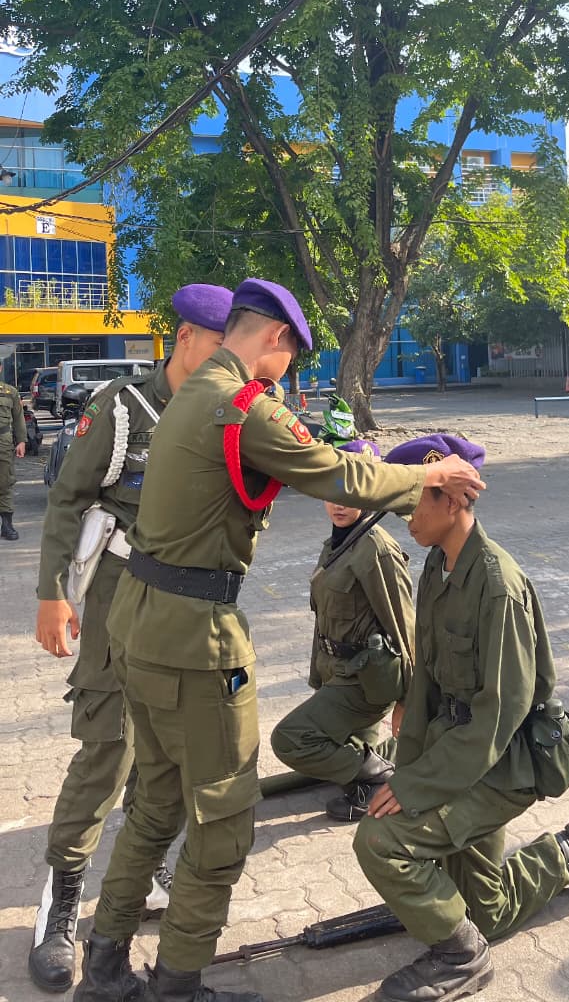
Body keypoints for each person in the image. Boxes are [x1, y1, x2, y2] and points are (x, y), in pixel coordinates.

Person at [72, 278, 484, 1002]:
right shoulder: (241, 405)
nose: (289, 368)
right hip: (195, 640)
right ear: (275, 338)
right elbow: (337, 472)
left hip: (137, 620)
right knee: (223, 817)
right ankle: (177, 985)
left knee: (159, 800)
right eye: (293, 353)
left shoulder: (188, 394)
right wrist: (430, 473)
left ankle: (104, 971)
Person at [353, 434, 569, 1002]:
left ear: (454, 500)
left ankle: (460, 958)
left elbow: (498, 717)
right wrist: (407, 770)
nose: (405, 518)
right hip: (458, 753)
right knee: (489, 912)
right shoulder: (436, 568)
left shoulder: (498, 586)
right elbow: (426, 685)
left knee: (381, 841)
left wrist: (417, 788)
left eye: (414, 502)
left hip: (505, 764)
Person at [30, 285, 233, 994]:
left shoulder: (226, 408)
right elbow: (67, 499)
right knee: (108, 745)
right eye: (221, 346)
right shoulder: (124, 407)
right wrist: (53, 593)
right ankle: (60, 904)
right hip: (119, 594)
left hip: (186, 603)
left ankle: (142, 872)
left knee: (170, 746)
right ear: (187, 338)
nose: (231, 360)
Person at [271, 439, 416, 822]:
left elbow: (406, 629)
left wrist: (409, 702)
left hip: (365, 683)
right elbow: (326, 619)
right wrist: (319, 678)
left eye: (352, 494)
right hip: (339, 674)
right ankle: (366, 773)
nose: (340, 503)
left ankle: (380, 778)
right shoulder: (337, 543)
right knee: (333, 751)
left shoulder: (376, 550)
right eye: (333, 491)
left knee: (291, 739)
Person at [0, 376, 27, 539]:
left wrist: (21, 441)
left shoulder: (10, 392)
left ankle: (7, 525)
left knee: (5, 482)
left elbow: (18, 418)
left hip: (3, 441)